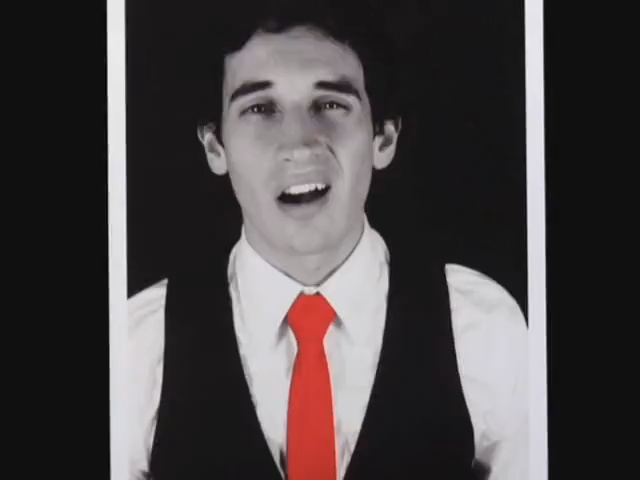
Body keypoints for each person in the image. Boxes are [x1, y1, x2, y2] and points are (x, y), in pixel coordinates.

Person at [127, 1, 528, 479]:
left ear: (383, 138)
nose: (299, 144)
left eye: (331, 105)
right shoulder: (139, 347)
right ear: (216, 147)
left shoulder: (482, 329)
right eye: (260, 108)